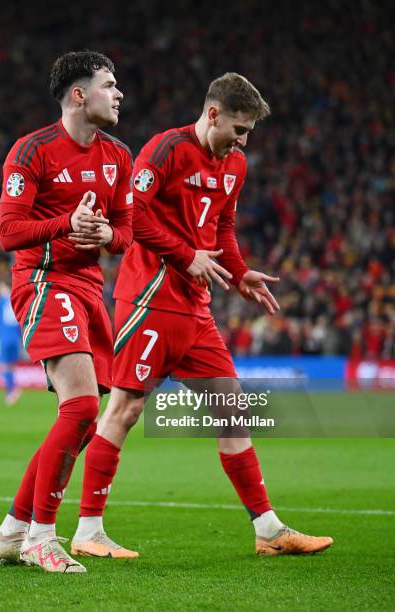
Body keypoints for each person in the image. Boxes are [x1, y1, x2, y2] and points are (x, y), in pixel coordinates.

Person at [70, 73, 333, 558]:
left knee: (233, 411)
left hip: (196, 309)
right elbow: (133, 215)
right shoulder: (166, 149)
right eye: (238, 128)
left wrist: (239, 271)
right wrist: (185, 254)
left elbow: (223, 226)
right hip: (148, 300)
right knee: (125, 411)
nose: (244, 139)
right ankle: (88, 531)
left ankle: (269, 530)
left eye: (249, 131)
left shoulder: (236, 163)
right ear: (212, 114)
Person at [0, 50, 133, 573]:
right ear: (78, 94)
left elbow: (127, 231)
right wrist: (65, 223)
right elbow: (9, 233)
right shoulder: (32, 151)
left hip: (90, 288)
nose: (118, 94)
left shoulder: (118, 155)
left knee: (80, 420)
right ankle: (42, 538)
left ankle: (11, 529)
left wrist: (108, 234)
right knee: (82, 409)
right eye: (109, 84)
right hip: (45, 282)